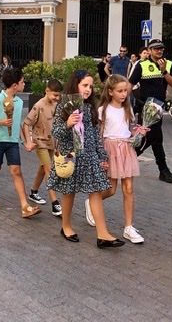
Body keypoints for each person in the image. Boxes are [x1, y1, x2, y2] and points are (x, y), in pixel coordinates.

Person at [48, 70, 124, 248]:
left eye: (90, 86)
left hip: (89, 156)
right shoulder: (64, 106)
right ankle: (66, 226)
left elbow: (95, 134)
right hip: (71, 157)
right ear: (76, 85)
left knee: (96, 192)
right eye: (85, 85)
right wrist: (68, 124)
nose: (88, 89)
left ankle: (103, 234)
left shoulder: (90, 108)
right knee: (69, 192)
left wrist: (101, 155)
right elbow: (56, 132)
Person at [95, 75, 147, 244]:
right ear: (110, 92)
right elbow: (99, 134)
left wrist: (138, 132)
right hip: (110, 149)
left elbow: (130, 129)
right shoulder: (103, 110)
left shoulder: (128, 109)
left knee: (129, 188)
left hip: (126, 149)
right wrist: (100, 155)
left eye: (126, 90)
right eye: (120, 91)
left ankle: (129, 227)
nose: (124, 94)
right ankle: (93, 201)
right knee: (111, 189)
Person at [0, 68, 41, 218]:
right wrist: (2, 122)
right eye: (22, 82)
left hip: (12, 142)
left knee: (16, 171)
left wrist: (26, 142)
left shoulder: (20, 101)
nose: (24, 84)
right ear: (15, 85)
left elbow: (19, 124)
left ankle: (24, 206)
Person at [128, 39, 172, 183]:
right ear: (149, 51)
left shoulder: (168, 64)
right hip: (146, 108)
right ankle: (163, 170)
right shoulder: (142, 65)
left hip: (159, 108)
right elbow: (129, 84)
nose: (159, 51)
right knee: (155, 138)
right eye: (156, 49)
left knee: (151, 138)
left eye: (161, 48)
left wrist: (164, 72)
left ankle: (126, 158)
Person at [21, 78, 63, 217]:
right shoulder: (38, 106)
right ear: (47, 91)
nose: (57, 98)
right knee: (49, 169)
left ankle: (33, 191)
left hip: (52, 142)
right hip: (40, 142)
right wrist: (28, 141)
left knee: (43, 167)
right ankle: (55, 203)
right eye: (55, 95)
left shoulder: (56, 104)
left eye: (59, 95)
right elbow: (26, 123)